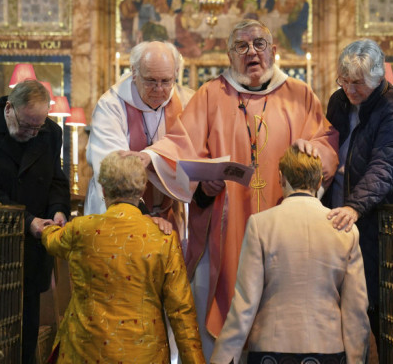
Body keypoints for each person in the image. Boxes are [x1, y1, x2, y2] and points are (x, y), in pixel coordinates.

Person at [125, 19, 339, 359]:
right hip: (226, 229)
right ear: (229, 55)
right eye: (241, 46)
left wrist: (316, 152)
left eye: (259, 44)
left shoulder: (300, 96)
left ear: (274, 50)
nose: (251, 52)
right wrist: (159, 163)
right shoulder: (211, 95)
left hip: (284, 227)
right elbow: (181, 145)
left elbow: (326, 143)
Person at [210, 145, 370, 364]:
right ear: (318, 182)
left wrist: (223, 359)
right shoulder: (345, 229)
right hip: (327, 347)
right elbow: (356, 310)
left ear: (280, 178)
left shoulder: (261, 225)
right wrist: (356, 359)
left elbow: (244, 304)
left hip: (271, 349)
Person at [41, 151, 205, 363]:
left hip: (86, 351)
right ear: (143, 189)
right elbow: (181, 311)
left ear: (103, 188)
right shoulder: (163, 238)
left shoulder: (81, 230)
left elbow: (52, 241)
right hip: (144, 355)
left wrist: (44, 228)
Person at [321, 38, 393, 352]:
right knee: (335, 300)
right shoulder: (338, 101)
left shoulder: (392, 105)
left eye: (358, 83)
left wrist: (356, 206)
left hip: (372, 216)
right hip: (336, 210)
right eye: (344, 81)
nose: (350, 90)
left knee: (371, 302)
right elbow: (326, 145)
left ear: (377, 78)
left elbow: (387, 163)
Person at [0, 79, 71, 364]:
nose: (32, 133)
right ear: (9, 108)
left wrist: (59, 210)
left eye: (38, 126)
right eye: (26, 126)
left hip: (33, 248)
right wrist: (27, 221)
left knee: (28, 330)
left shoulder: (50, 133)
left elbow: (56, 180)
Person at [84, 41, 195, 233]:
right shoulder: (111, 106)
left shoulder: (187, 102)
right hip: (120, 214)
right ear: (134, 72)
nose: (159, 89)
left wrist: (151, 156)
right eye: (151, 81)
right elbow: (113, 168)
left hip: (169, 211)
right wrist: (141, 216)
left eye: (166, 81)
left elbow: (191, 152)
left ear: (176, 73)